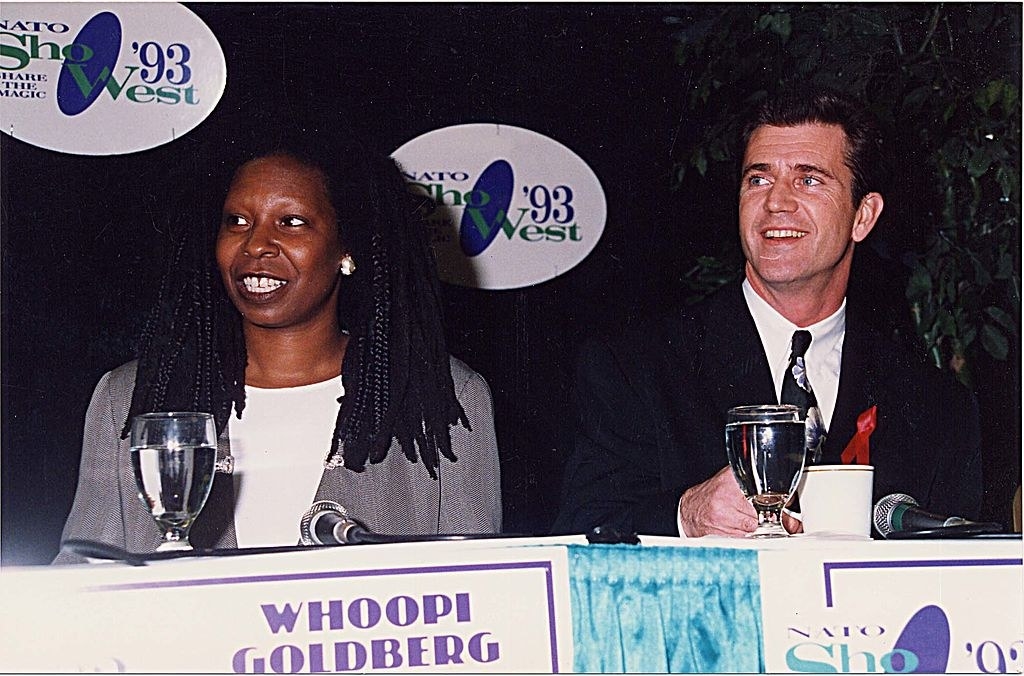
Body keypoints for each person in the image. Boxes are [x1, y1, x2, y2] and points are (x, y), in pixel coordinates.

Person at [552, 89, 982, 538]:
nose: (776, 202)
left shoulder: (936, 406)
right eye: (758, 180)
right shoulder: (637, 368)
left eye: (808, 180)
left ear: (863, 215)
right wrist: (685, 515)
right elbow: (582, 530)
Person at [54, 132, 501, 563]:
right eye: (238, 222)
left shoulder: (443, 398)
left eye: (291, 222)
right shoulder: (129, 398)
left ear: (346, 249)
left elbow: (479, 594)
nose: (256, 245)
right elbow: (81, 584)